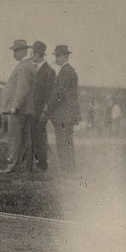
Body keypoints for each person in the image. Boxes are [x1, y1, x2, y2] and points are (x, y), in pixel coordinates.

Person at [0, 40, 36, 173]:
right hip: (24, 110)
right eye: (14, 50)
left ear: (25, 51)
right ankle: (25, 165)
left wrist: (15, 106)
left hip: (19, 110)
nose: (14, 53)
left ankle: (14, 164)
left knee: (15, 138)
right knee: (24, 138)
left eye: (17, 50)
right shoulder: (26, 65)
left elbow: (23, 88)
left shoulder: (24, 66)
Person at [46, 45, 79, 173]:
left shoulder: (66, 71)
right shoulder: (67, 71)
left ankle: (68, 169)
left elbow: (59, 94)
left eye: (58, 55)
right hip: (66, 113)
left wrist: (48, 107)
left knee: (63, 142)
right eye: (56, 55)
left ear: (65, 56)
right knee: (65, 142)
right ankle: (68, 168)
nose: (56, 58)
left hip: (64, 113)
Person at [30, 41, 56, 171]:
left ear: (37, 54)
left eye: (32, 52)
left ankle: (42, 164)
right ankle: (36, 162)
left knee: (40, 136)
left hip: (40, 111)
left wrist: (45, 112)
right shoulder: (33, 68)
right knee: (33, 136)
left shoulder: (49, 71)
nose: (30, 55)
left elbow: (50, 94)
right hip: (32, 110)